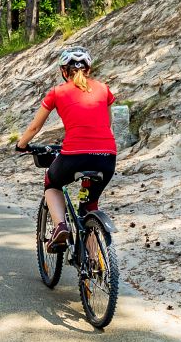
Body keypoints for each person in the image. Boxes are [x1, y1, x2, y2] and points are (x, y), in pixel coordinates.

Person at [15, 46, 116, 251]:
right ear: (88, 69)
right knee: (89, 205)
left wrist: (21, 145)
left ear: (63, 71)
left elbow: (35, 127)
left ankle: (60, 227)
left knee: (51, 182)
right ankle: (95, 267)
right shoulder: (104, 89)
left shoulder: (57, 92)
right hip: (107, 156)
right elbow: (109, 123)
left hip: (74, 155)